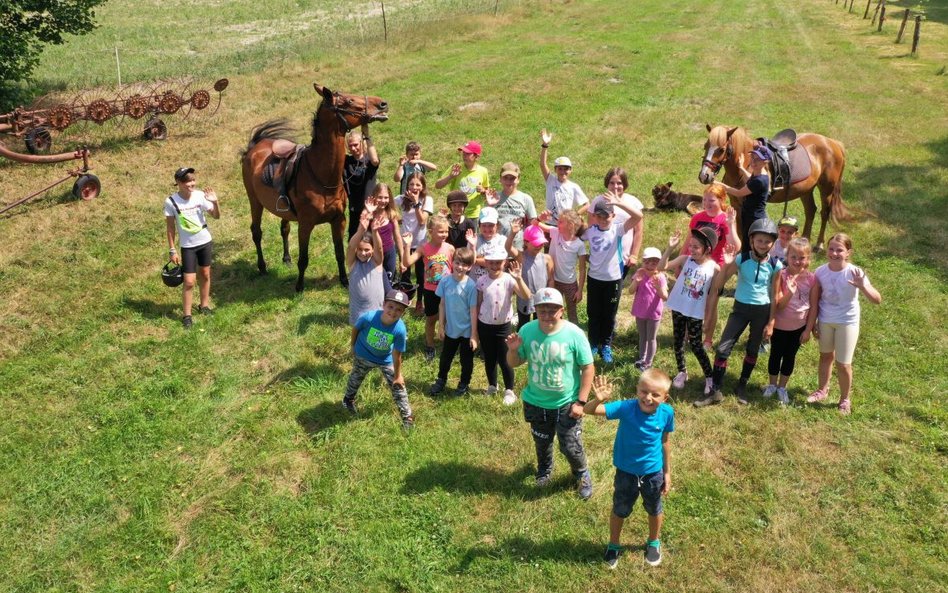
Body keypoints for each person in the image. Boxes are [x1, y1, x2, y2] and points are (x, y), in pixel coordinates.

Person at [506, 287, 595, 499]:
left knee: (571, 446)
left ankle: (581, 473)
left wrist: (581, 402)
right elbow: (515, 363)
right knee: (542, 440)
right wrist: (512, 349)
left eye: (552, 310)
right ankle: (544, 471)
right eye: (542, 310)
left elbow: (588, 368)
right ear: (536, 309)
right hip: (536, 402)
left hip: (567, 403)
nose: (547, 315)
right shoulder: (527, 330)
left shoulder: (574, 334)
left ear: (562, 310)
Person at [584, 371, 674, 568]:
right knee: (620, 509)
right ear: (637, 390)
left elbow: (665, 442)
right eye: (644, 391)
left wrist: (667, 472)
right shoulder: (626, 407)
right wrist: (597, 399)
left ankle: (653, 542)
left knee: (654, 507)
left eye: (655, 394)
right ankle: (614, 544)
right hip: (625, 473)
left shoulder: (667, 413)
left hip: (653, 473)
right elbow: (589, 411)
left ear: (665, 397)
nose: (648, 398)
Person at [699, 218, 782, 407]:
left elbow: (775, 295)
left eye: (767, 241)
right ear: (751, 241)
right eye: (759, 240)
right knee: (722, 349)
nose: (762, 244)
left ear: (773, 244)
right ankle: (716, 390)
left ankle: (742, 385)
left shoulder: (776, 265)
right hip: (740, 309)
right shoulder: (741, 259)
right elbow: (718, 284)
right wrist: (727, 265)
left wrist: (771, 322)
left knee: (753, 349)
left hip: (762, 310)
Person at [806, 233, 881, 415]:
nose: (834, 253)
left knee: (843, 363)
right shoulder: (820, 272)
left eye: (839, 250)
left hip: (847, 322)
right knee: (825, 357)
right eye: (831, 249)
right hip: (825, 320)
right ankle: (822, 390)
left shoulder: (855, 272)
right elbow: (814, 301)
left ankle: (844, 398)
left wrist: (862, 286)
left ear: (848, 252)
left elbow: (877, 299)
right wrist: (813, 322)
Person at [659, 227, 721, 394]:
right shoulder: (684, 259)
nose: (691, 250)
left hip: (695, 311)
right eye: (691, 246)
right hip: (678, 306)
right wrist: (670, 248)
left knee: (696, 345)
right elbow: (661, 267)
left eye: (696, 247)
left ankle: (709, 377)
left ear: (707, 249)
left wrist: (708, 318)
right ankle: (682, 372)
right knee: (678, 341)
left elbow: (715, 293)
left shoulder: (714, 268)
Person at [581, 198, 642, 364]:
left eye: (606, 216)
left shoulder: (618, 229)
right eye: (599, 216)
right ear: (594, 216)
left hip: (613, 280)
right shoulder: (590, 231)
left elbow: (638, 216)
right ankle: (593, 344)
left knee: (609, 314)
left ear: (613, 216)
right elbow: (572, 234)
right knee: (593, 313)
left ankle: (606, 345)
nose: (602, 220)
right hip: (594, 278)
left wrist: (620, 203)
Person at [682, 182, 741, 349]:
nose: (707, 204)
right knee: (691, 299)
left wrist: (730, 225)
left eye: (712, 200)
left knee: (711, 302)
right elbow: (688, 242)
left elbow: (736, 246)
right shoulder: (697, 218)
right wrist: (681, 261)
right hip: (695, 265)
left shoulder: (725, 219)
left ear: (722, 200)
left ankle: (707, 338)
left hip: (716, 267)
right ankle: (689, 333)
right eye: (705, 200)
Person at [164, 166, 220, 329]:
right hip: (188, 246)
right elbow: (170, 228)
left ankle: (204, 305)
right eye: (187, 181)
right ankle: (187, 315)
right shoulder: (171, 201)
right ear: (178, 183)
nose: (191, 184)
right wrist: (172, 249)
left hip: (204, 241)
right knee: (188, 281)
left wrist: (215, 202)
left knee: (205, 273)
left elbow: (216, 216)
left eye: (193, 180)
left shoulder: (201, 196)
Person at [764, 238, 817, 405]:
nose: (797, 261)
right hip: (780, 326)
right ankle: (772, 385)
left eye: (802, 258)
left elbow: (814, 307)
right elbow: (778, 304)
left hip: (799, 327)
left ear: (808, 259)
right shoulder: (781, 274)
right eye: (793, 257)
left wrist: (808, 329)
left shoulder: (813, 279)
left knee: (789, 357)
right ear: (787, 256)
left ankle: (782, 387)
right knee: (775, 355)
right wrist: (789, 293)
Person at [476, 245, 531, 405]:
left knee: (505, 358)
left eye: (498, 263)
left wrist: (519, 279)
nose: (494, 266)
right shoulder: (481, 281)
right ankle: (492, 385)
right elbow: (479, 303)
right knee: (489, 358)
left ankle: (509, 390)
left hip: (503, 326)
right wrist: (476, 328)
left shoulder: (509, 279)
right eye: (491, 263)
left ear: (505, 262)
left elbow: (526, 296)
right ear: (486, 263)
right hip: (485, 325)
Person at [403, 214, 454, 362]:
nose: (444, 234)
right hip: (431, 290)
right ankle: (430, 345)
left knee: (446, 319)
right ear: (431, 232)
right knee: (431, 319)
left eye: (446, 231)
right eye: (440, 232)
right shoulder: (424, 248)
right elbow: (407, 262)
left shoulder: (450, 248)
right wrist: (407, 245)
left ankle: (446, 343)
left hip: (448, 291)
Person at [430, 247, 479, 396]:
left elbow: (473, 311)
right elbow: (442, 304)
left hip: (466, 331)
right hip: (451, 330)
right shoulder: (445, 281)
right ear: (452, 263)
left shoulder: (471, 286)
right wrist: (441, 327)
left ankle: (464, 383)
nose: (460, 267)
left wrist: (473, 334)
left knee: (466, 360)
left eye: (464, 265)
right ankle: (441, 379)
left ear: (470, 267)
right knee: (445, 357)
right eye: (458, 263)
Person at [588, 167, 645, 273]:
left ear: (625, 184)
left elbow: (638, 231)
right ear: (607, 183)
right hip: (601, 256)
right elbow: (591, 229)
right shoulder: (597, 201)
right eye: (611, 183)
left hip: (622, 257)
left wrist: (634, 255)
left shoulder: (633, 202)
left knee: (616, 286)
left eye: (619, 183)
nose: (615, 186)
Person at [721, 145, 771, 256]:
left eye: (757, 159)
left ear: (765, 161)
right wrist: (742, 168)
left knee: (749, 244)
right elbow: (751, 179)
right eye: (752, 157)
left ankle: (745, 262)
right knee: (748, 242)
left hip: (753, 217)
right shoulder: (760, 173)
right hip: (752, 214)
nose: (753, 161)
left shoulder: (760, 180)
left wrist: (721, 185)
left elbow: (739, 193)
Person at [396, 172, 434, 314]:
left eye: (418, 184)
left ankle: (419, 301)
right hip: (405, 243)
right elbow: (388, 205)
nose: (414, 187)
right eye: (411, 184)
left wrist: (417, 202)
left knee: (420, 274)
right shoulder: (402, 199)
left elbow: (422, 220)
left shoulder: (427, 200)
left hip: (420, 245)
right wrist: (396, 219)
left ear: (423, 186)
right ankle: (405, 300)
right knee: (405, 274)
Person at [541, 209, 587, 324]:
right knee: (554, 310)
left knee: (572, 312)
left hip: (570, 283)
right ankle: (556, 331)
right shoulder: (555, 232)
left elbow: (582, 269)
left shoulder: (579, 245)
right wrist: (540, 218)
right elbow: (537, 224)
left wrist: (580, 291)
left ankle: (574, 335)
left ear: (570, 225)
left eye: (561, 222)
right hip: (553, 280)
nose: (557, 224)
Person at [506, 222, 554, 328]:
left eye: (541, 243)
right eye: (536, 243)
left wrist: (550, 294)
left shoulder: (547, 258)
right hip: (525, 298)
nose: (539, 246)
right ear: (526, 242)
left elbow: (550, 279)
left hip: (542, 298)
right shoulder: (521, 257)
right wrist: (513, 234)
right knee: (524, 325)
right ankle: (523, 342)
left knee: (540, 323)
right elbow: (508, 248)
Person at [629, 247, 669, 371]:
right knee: (642, 336)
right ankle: (642, 358)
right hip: (640, 311)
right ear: (643, 261)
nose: (650, 265)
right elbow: (630, 291)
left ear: (659, 263)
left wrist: (658, 288)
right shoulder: (640, 273)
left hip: (653, 313)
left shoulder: (660, 277)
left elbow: (665, 297)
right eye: (647, 262)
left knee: (651, 338)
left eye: (654, 262)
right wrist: (636, 281)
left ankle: (648, 362)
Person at [484, 162, 537, 248]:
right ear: (500, 179)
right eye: (505, 178)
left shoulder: (526, 199)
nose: (509, 181)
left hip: (518, 247)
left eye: (512, 178)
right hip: (496, 248)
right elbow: (484, 222)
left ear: (518, 179)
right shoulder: (493, 197)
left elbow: (532, 224)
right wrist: (489, 205)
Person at [539, 129, 589, 223]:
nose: (563, 172)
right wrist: (545, 145)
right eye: (560, 169)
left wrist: (575, 216)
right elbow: (542, 164)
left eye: (566, 169)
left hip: (565, 225)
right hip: (550, 224)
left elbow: (587, 204)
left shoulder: (573, 187)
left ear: (571, 170)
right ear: (555, 170)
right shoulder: (550, 180)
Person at [346, 209, 385, 325]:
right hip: (357, 313)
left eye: (367, 250)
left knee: (373, 338)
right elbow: (350, 248)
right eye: (360, 249)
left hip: (376, 313)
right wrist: (360, 230)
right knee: (359, 339)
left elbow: (379, 248)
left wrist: (375, 232)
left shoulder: (376, 263)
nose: (363, 253)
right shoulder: (352, 263)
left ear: (372, 250)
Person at [363, 183, 405, 291]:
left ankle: (387, 305)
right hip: (374, 255)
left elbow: (397, 237)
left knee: (389, 281)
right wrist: (368, 212)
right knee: (377, 283)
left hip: (389, 253)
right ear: (374, 197)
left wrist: (402, 258)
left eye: (386, 197)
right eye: (380, 197)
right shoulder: (369, 214)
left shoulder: (391, 214)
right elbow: (361, 231)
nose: (383, 200)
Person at [435, 140, 490, 219]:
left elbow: (487, 194)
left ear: (476, 156)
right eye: (463, 153)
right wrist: (450, 176)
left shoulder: (483, 171)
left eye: (467, 153)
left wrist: (483, 191)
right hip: (456, 213)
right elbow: (438, 186)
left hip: (473, 214)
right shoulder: (456, 168)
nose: (464, 155)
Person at [343, 125, 380, 240]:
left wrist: (367, 136)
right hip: (355, 209)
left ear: (361, 144)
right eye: (350, 146)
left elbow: (375, 160)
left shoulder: (369, 160)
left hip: (370, 208)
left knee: (371, 240)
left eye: (355, 145)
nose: (353, 148)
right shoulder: (347, 161)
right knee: (354, 241)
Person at [467, 207, 507, 282]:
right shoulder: (474, 239)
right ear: (479, 225)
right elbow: (469, 261)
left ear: (497, 225)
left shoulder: (502, 240)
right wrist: (472, 246)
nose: (487, 229)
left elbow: (499, 262)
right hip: (475, 282)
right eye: (484, 225)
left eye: (491, 225)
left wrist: (476, 260)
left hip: (495, 283)